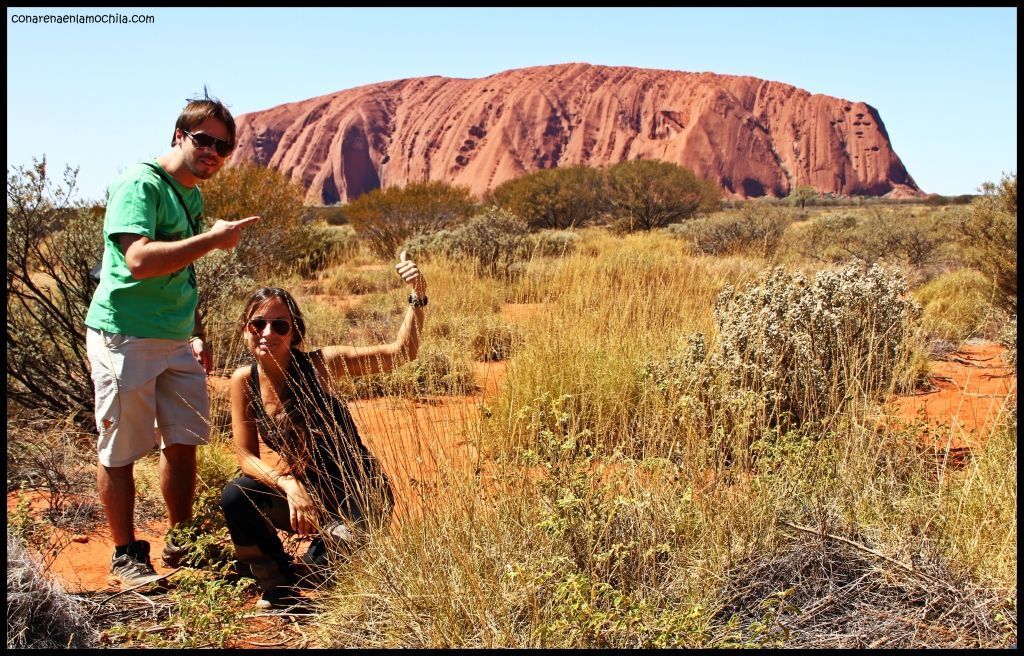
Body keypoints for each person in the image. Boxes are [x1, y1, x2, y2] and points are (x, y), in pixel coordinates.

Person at [85, 94, 260, 588]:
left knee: (183, 441)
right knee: (120, 449)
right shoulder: (140, 184)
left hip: (175, 339)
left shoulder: (192, 194)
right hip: (126, 335)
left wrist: (196, 334)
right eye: (204, 140)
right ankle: (125, 554)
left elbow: (183, 272)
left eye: (223, 147)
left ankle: (184, 542)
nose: (213, 153)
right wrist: (212, 239)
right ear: (178, 136)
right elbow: (139, 260)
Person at [220, 252, 427, 609]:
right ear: (245, 330)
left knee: (330, 580)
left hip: (360, 498)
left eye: (280, 325)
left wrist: (418, 294)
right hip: (308, 498)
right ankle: (276, 584)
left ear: (295, 331)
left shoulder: (320, 366)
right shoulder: (244, 381)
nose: (268, 333)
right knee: (237, 495)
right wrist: (287, 484)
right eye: (258, 324)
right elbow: (245, 457)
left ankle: (327, 550)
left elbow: (402, 352)